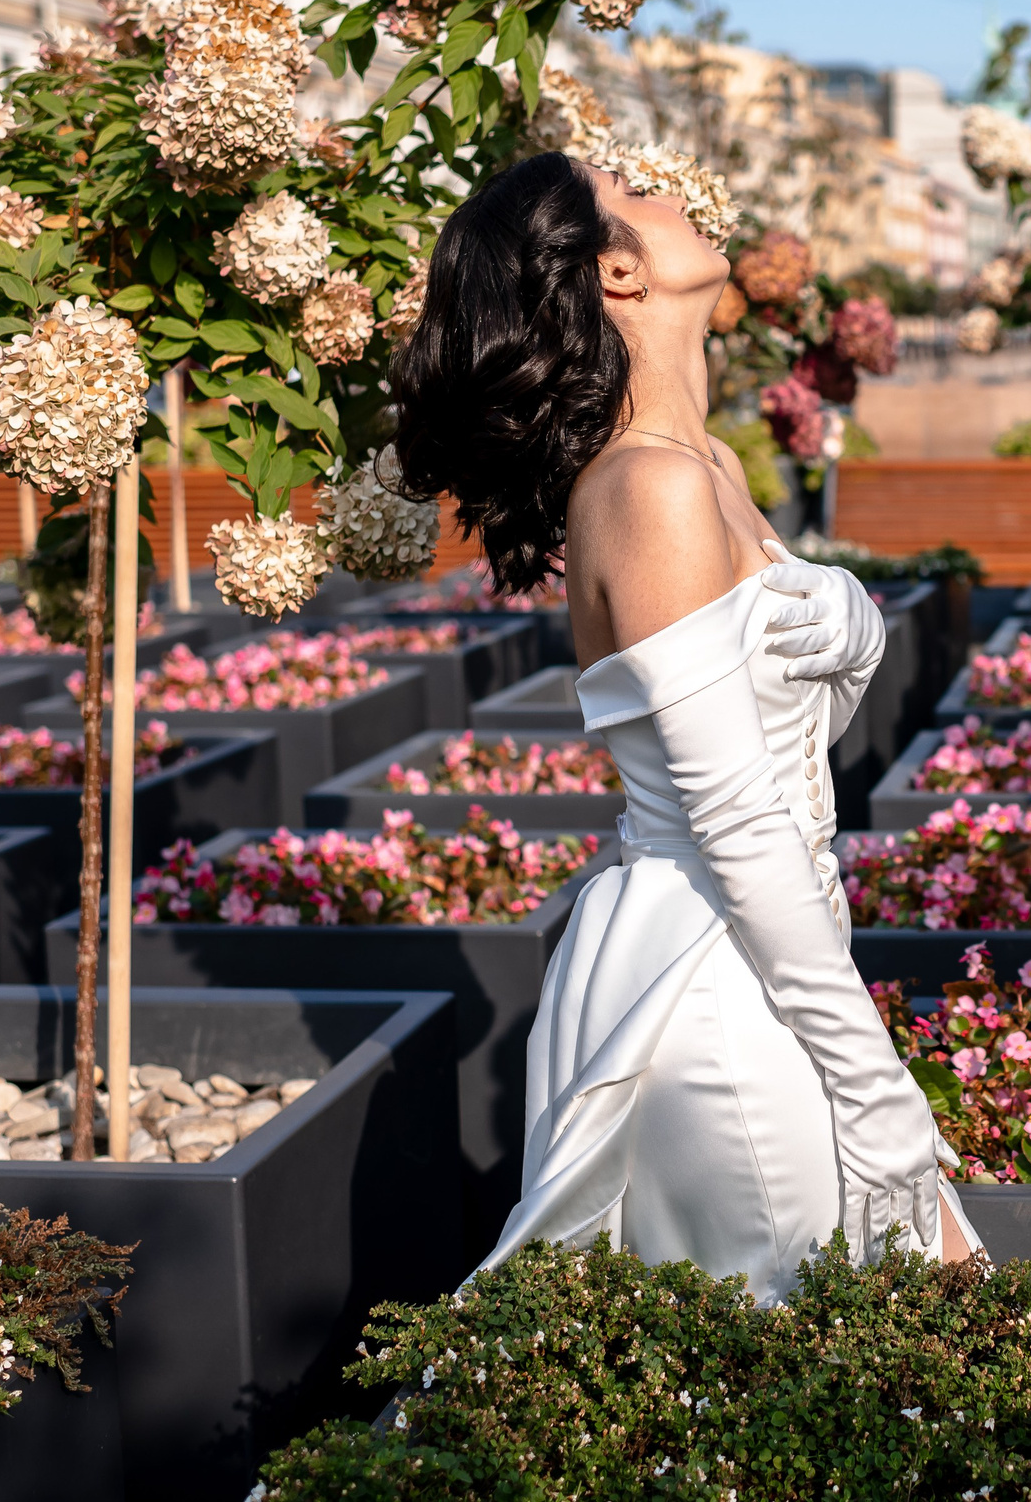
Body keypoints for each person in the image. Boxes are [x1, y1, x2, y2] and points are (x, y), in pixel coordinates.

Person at [390, 152, 977, 1298]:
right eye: (635, 192)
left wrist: (850, 621)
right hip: (715, 989)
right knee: (822, 1357)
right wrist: (871, 1083)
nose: (677, 196)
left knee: (878, 1347)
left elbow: (785, 740)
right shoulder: (647, 488)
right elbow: (741, 821)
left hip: (766, 941)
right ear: (617, 269)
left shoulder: (698, 463)